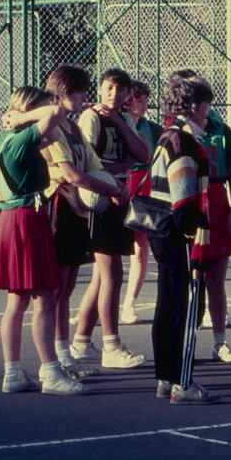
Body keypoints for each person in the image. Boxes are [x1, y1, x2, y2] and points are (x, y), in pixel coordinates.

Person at [5, 64, 129, 384]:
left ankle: (64, 353)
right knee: (56, 288)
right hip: (57, 204)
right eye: (78, 91)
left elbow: (92, 166)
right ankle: (57, 357)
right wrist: (113, 190)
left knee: (70, 283)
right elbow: (72, 175)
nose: (84, 96)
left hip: (77, 207)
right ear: (61, 93)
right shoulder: (54, 131)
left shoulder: (73, 129)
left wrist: (111, 185)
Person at [0, 85, 83, 395]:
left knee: (17, 301)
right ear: (27, 110)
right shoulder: (21, 138)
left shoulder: (7, 139)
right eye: (38, 108)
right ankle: (51, 372)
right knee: (44, 300)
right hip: (25, 221)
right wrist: (27, 116)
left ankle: (13, 372)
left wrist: (27, 121)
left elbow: (51, 133)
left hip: (13, 221)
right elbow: (54, 114)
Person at [69, 67, 150, 370]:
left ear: (128, 94)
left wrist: (119, 121)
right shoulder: (90, 118)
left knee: (101, 276)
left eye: (121, 89)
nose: (114, 94)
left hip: (118, 195)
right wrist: (119, 168)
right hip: (100, 197)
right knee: (113, 273)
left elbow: (142, 153)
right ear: (100, 90)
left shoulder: (124, 118)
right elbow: (89, 161)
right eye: (109, 88)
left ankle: (80, 341)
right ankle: (111, 345)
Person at [147, 74, 216, 404]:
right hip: (179, 233)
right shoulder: (185, 141)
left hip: (159, 231)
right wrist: (192, 231)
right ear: (196, 105)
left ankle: (164, 376)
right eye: (206, 106)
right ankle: (182, 382)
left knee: (168, 302)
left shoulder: (167, 135)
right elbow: (185, 196)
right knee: (188, 307)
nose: (209, 113)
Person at [168, 69, 231, 363]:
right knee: (188, 277)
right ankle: (186, 341)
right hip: (188, 200)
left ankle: (219, 342)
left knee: (216, 280)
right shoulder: (174, 131)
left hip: (215, 199)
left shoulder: (221, 131)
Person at [120, 81, 162, 326]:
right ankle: (90, 309)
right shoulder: (116, 124)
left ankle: (129, 304)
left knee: (139, 249)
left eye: (146, 99)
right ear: (128, 102)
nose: (144, 103)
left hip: (143, 188)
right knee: (108, 253)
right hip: (118, 185)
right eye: (139, 99)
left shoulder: (152, 129)